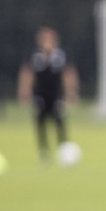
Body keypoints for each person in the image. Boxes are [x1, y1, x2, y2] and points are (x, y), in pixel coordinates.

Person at [18, 26, 77, 161]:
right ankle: (43, 151)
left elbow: (68, 73)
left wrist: (71, 92)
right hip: (40, 96)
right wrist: (24, 90)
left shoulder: (61, 55)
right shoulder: (35, 56)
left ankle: (63, 150)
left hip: (56, 95)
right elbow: (27, 73)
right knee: (40, 123)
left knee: (60, 122)